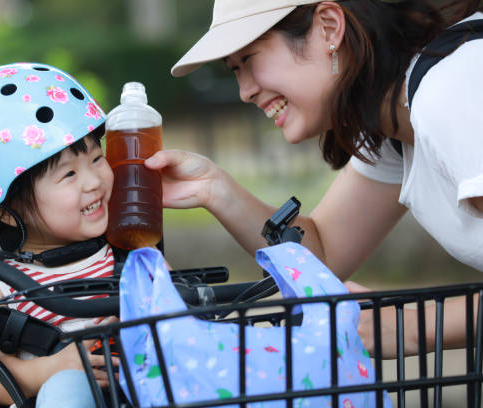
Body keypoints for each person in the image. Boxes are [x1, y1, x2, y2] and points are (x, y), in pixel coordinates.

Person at [144, 0, 483, 359]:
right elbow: (325, 254)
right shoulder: (393, 123)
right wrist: (214, 188)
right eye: (234, 70)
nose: (245, 91)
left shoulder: (454, 90)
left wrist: (412, 328)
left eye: (250, 59)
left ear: (329, 28)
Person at [0, 62, 118, 407]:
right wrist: (57, 368)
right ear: (3, 209)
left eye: (97, 158)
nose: (94, 181)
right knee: (67, 391)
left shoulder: (125, 247)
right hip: (57, 395)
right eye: (69, 174)